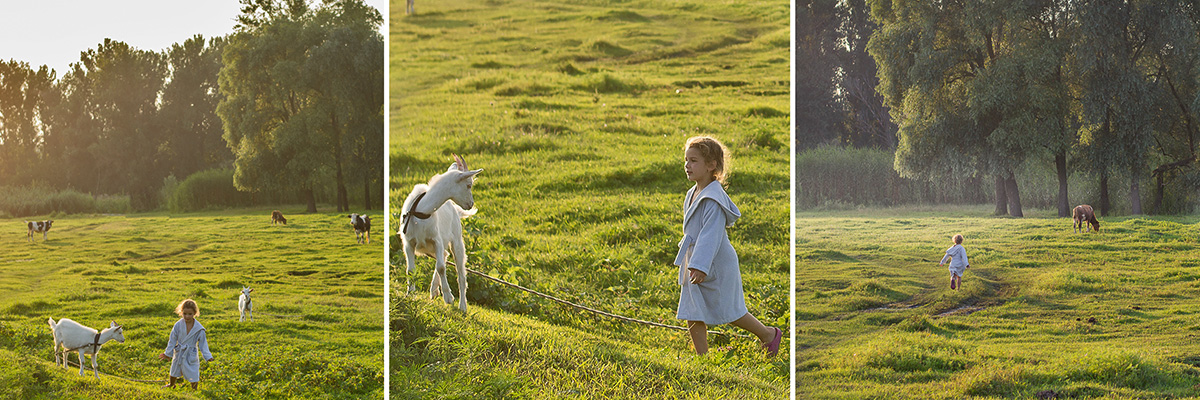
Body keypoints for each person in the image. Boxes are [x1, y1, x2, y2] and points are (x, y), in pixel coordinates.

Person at [675, 136, 782, 356]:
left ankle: (768, 335)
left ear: (711, 165)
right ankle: (702, 359)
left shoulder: (714, 200)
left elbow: (710, 236)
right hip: (695, 261)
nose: (687, 165)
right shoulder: (692, 193)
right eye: (686, 160)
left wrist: (701, 265)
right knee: (692, 310)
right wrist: (694, 263)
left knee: (730, 311)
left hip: (714, 263)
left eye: (694, 160)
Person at [158, 299, 213, 389]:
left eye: (190, 314)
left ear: (195, 313)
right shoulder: (178, 325)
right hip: (179, 350)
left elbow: (203, 344)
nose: (187, 316)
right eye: (185, 314)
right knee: (174, 369)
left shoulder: (199, 328)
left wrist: (208, 356)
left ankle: (194, 388)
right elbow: (172, 340)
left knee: (193, 371)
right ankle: (171, 384)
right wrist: (168, 353)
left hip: (191, 352)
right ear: (181, 312)